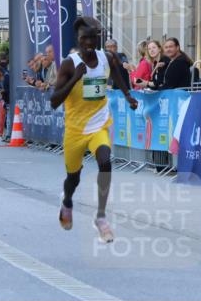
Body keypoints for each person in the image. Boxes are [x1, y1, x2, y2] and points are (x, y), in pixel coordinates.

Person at [49, 16, 137, 243]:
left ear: (99, 38)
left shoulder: (106, 57)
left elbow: (117, 73)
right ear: (78, 40)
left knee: (105, 162)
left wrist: (128, 96)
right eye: (84, 38)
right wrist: (75, 79)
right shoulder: (69, 63)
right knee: (73, 178)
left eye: (93, 37)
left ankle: (100, 217)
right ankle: (67, 201)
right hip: (75, 130)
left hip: (99, 124)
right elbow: (54, 101)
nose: (89, 42)